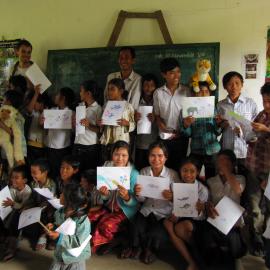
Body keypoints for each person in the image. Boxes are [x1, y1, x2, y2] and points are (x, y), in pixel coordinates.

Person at [121, 141, 179, 264]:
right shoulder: (144, 172)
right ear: (148, 157)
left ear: (166, 157)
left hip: (164, 212)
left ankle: (149, 250)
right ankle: (136, 247)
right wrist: (138, 193)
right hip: (147, 209)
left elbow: (179, 200)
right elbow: (141, 200)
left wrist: (172, 197)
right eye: (152, 155)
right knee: (136, 226)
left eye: (160, 156)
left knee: (156, 233)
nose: (156, 159)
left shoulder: (173, 175)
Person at [91, 141, 138, 255]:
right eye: (116, 154)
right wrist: (104, 194)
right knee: (90, 217)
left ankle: (116, 240)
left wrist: (127, 197)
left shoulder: (133, 173)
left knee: (106, 225)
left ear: (129, 156)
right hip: (108, 207)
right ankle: (109, 241)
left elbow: (136, 203)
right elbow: (102, 198)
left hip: (124, 210)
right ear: (112, 154)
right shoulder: (106, 167)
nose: (120, 158)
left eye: (124, 155)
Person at [163, 158, 208, 270]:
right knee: (167, 224)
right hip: (180, 215)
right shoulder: (175, 186)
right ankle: (191, 261)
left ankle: (197, 256)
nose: (188, 174)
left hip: (196, 220)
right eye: (184, 170)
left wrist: (200, 208)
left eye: (192, 171)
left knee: (184, 226)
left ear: (197, 172)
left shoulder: (202, 190)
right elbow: (176, 206)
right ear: (180, 171)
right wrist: (175, 213)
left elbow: (202, 215)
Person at [205, 150, 246, 262]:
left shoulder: (240, 178)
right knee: (210, 251)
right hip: (216, 221)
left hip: (234, 224)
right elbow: (208, 200)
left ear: (233, 164)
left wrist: (226, 171)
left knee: (236, 252)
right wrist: (209, 208)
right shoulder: (211, 181)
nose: (222, 165)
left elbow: (238, 190)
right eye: (220, 162)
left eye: (226, 162)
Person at [245, 82, 270, 256]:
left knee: (267, 205)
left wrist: (267, 130)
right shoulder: (261, 115)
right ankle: (257, 238)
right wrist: (249, 136)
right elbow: (254, 138)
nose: (266, 105)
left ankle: (265, 237)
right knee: (254, 205)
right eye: (264, 100)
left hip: (269, 170)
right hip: (254, 166)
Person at [216, 71, 258, 174]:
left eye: (237, 83)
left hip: (245, 150)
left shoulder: (250, 103)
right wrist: (222, 124)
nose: (234, 87)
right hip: (227, 148)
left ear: (242, 85)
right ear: (225, 87)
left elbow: (256, 126)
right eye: (230, 84)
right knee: (229, 179)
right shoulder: (220, 105)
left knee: (245, 179)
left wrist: (245, 131)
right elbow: (218, 127)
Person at [153, 57, 190, 170]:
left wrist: (181, 131)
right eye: (172, 73)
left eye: (178, 72)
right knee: (164, 169)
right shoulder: (158, 93)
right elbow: (157, 116)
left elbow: (190, 115)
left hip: (182, 138)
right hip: (164, 138)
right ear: (164, 75)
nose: (176, 75)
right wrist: (163, 128)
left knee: (180, 168)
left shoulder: (187, 91)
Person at [180, 81, 221, 179]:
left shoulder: (214, 110)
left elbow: (218, 132)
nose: (203, 94)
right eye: (200, 91)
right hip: (196, 150)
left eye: (206, 91)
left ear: (210, 94)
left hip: (213, 150)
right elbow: (188, 134)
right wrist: (186, 125)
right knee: (192, 177)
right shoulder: (188, 109)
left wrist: (218, 124)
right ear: (194, 94)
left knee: (212, 179)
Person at [46, 183, 91, 270]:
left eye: (62, 193)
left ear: (70, 201)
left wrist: (59, 236)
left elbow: (78, 241)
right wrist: (53, 227)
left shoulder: (83, 221)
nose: (60, 194)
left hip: (74, 258)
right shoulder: (59, 212)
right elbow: (60, 227)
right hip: (60, 254)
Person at [42, 87, 75, 179]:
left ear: (63, 98)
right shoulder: (51, 111)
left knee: (60, 171)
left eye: (57, 95)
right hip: (49, 146)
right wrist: (42, 122)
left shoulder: (71, 113)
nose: (55, 96)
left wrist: (73, 124)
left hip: (62, 148)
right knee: (50, 170)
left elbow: (74, 132)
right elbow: (43, 126)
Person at [100, 78, 135, 162]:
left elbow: (133, 125)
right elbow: (103, 124)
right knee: (107, 163)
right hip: (107, 142)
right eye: (108, 89)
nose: (109, 92)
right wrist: (101, 124)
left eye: (112, 89)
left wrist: (127, 123)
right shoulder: (106, 105)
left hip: (121, 141)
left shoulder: (128, 106)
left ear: (121, 91)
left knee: (119, 164)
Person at [1, 165, 31, 261]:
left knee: (14, 222)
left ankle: (12, 248)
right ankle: (6, 239)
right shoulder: (12, 189)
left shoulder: (27, 191)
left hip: (25, 213)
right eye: (12, 177)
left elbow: (23, 206)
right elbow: (8, 202)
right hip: (14, 210)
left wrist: (13, 203)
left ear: (25, 180)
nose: (13, 180)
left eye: (16, 178)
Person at [27, 158, 56, 251]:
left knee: (49, 214)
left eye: (35, 173)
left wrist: (40, 207)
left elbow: (51, 200)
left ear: (45, 173)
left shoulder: (51, 184)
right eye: (31, 172)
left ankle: (45, 236)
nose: (32, 175)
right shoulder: (33, 184)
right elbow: (31, 198)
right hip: (37, 206)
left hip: (48, 208)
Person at [73, 80, 102, 170]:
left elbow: (100, 130)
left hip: (90, 146)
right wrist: (73, 124)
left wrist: (89, 125)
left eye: (81, 91)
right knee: (77, 171)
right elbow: (76, 128)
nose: (80, 93)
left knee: (88, 172)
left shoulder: (98, 109)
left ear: (88, 93)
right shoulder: (79, 106)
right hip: (77, 144)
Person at [135, 74, 159, 170]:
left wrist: (155, 119)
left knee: (153, 169)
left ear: (156, 87)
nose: (148, 88)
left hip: (155, 142)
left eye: (152, 85)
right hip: (140, 143)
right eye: (146, 85)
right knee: (140, 169)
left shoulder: (158, 102)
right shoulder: (136, 102)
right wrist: (134, 118)